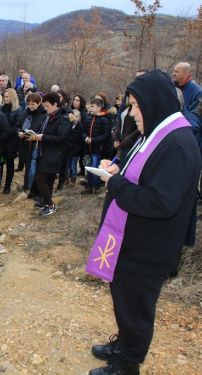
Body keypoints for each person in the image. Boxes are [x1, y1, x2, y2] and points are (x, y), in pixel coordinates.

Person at [87, 69, 201, 375]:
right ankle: (124, 345)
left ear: (153, 103)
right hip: (134, 240)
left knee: (136, 310)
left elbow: (161, 202)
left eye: (136, 105)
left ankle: (127, 364)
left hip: (148, 248)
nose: (131, 112)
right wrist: (117, 167)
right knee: (125, 302)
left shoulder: (176, 144)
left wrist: (116, 184)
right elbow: (139, 168)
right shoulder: (158, 132)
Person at [31, 92, 70, 216]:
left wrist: (44, 138)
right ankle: (45, 200)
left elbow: (63, 137)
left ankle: (50, 204)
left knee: (40, 179)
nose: (45, 108)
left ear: (55, 104)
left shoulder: (63, 118)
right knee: (48, 179)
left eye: (48, 106)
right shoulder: (49, 116)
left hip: (54, 154)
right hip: (45, 151)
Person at [17, 93, 47, 193]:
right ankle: (26, 186)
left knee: (34, 168)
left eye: (33, 104)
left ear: (39, 103)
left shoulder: (44, 114)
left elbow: (44, 130)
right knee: (27, 166)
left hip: (36, 146)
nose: (30, 106)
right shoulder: (26, 112)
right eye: (29, 104)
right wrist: (20, 132)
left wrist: (34, 137)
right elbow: (19, 125)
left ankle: (33, 189)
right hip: (25, 144)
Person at [81, 98, 111, 194]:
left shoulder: (104, 120)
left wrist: (93, 140)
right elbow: (83, 131)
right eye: (90, 106)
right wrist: (85, 137)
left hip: (98, 149)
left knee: (95, 167)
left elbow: (106, 135)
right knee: (89, 167)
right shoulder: (88, 119)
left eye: (92, 106)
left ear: (99, 108)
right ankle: (89, 186)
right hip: (88, 149)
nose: (90, 108)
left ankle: (96, 186)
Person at [0, 88, 23, 194]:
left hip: (11, 141)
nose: (5, 98)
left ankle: (7, 185)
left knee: (10, 163)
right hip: (0, 139)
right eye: (4, 96)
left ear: (12, 97)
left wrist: (6, 133)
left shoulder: (18, 110)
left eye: (7, 96)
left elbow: (17, 126)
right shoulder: (0, 109)